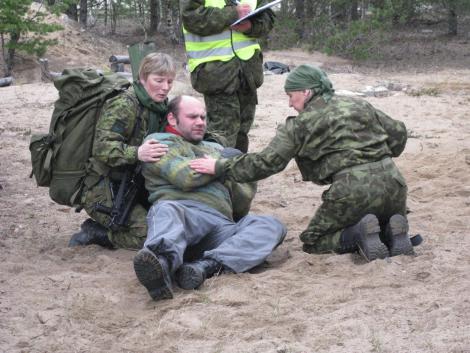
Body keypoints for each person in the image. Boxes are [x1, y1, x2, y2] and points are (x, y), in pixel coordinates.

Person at [190, 64, 418, 262]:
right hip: (395, 184)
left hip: (351, 189)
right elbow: (398, 134)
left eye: (291, 96)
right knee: (376, 218)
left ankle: (359, 233)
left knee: (314, 241)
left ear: (307, 92)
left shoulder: (299, 125)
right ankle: (392, 229)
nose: (290, 104)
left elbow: (266, 163)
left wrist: (219, 166)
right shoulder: (360, 105)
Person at [133, 95, 286, 301]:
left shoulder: (216, 149)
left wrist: (224, 168)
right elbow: (185, 176)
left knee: (271, 225)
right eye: (192, 117)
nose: (200, 122)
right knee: (165, 210)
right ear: (172, 119)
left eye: (203, 117)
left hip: (219, 227)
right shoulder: (159, 142)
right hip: (184, 217)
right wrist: (222, 167)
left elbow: (241, 203)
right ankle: (161, 265)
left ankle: (205, 267)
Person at [68, 53, 175, 250]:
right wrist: (137, 153)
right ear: (143, 78)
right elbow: (102, 148)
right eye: (158, 80)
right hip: (102, 187)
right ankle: (97, 233)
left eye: (169, 81)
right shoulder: (125, 104)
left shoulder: (159, 108)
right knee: (147, 236)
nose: (165, 87)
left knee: (169, 224)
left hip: (132, 183)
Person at [180, 0, 275, 152]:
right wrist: (233, 13)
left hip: (247, 72)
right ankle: (217, 172)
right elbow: (191, 18)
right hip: (216, 74)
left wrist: (250, 27)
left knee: (243, 130)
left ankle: (236, 170)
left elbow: (268, 20)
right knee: (221, 132)